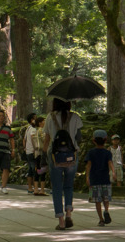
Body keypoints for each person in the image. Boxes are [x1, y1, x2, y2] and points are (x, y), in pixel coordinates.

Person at [42, 97, 82, 231]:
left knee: (57, 188)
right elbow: (79, 138)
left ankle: (61, 220)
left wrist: (43, 155)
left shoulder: (49, 117)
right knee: (69, 186)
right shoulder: (75, 117)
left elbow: (47, 139)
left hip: (55, 156)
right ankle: (69, 213)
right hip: (71, 156)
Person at [84, 129, 117, 226]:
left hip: (94, 179)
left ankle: (101, 219)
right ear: (106, 140)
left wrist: (87, 177)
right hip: (105, 179)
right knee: (106, 198)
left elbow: (88, 165)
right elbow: (110, 163)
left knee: (97, 201)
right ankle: (106, 210)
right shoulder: (107, 153)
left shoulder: (91, 152)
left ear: (93, 140)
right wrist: (114, 172)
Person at [23, 112, 46, 196]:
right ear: (32, 120)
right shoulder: (34, 129)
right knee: (36, 169)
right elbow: (34, 139)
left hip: (29, 151)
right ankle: (35, 188)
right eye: (35, 118)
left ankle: (31, 188)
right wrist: (34, 149)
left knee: (32, 169)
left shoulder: (28, 128)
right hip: (35, 152)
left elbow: (24, 140)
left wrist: (25, 148)